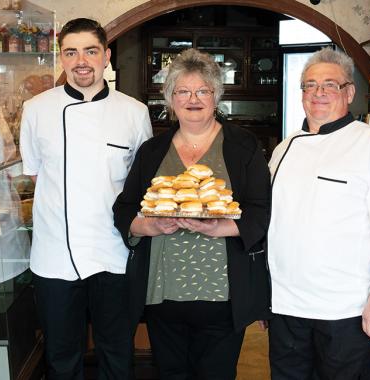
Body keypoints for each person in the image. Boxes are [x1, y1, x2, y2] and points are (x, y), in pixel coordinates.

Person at [112, 48, 271, 379]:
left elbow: (262, 209)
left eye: (202, 90)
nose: (193, 99)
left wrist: (220, 228)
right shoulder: (153, 150)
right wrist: (148, 226)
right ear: (171, 99)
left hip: (224, 295)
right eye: (182, 91)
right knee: (170, 373)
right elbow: (125, 207)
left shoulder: (243, 145)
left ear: (216, 96)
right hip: (161, 292)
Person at [267, 47, 370, 379]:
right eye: (310, 85)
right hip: (285, 306)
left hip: (345, 311)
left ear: (349, 92)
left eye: (330, 85)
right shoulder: (284, 148)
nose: (318, 93)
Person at [19, 18, 152, 379]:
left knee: (117, 352)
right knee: (62, 355)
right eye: (71, 52)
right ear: (61, 58)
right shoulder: (36, 110)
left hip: (114, 251)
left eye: (90, 51)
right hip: (55, 254)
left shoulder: (134, 112)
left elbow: (140, 186)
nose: (81, 60)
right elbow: (34, 174)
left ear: (106, 56)